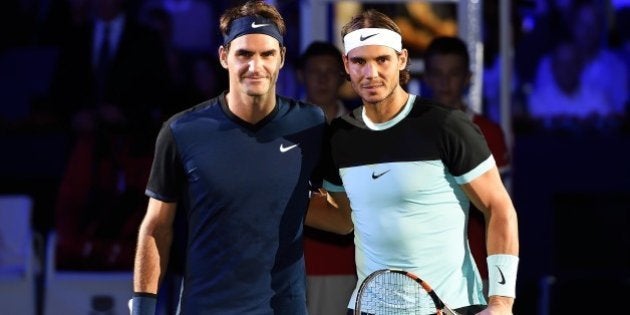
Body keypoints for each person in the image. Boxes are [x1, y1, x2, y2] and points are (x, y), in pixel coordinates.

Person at [131, 1, 351, 314]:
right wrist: (142, 307)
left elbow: (342, 220)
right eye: (244, 54)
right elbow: (156, 228)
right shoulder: (182, 130)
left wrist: (280, 203)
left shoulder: (311, 124)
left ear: (281, 59)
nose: (255, 65)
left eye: (267, 54)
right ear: (224, 57)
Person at [322, 9, 520, 314]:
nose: (370, 73)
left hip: (451, 305)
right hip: (370, 307)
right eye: (359, 61)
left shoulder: (447, 126)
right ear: (347, 65)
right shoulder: (339, 137)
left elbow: (498, 207)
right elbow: (342, 218)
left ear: (402, 60)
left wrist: (502, 301)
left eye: (381, 60)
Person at [422, 36, 512, 296]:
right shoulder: (408, 131)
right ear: (427, 77)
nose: (445, 82)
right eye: (438, 74)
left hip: (476, 269)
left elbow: (500, 210)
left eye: (453, 73)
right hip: (423, 269)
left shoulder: (489, 132)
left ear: (468, 77)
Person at [295, 41, 356, 315]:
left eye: (330, 71)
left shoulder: (361, 129)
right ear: (300, 75)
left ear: (343, 76)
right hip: (291, 264)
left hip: (346, 265)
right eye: (314, 71)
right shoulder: (280, 131)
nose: (322, 79)